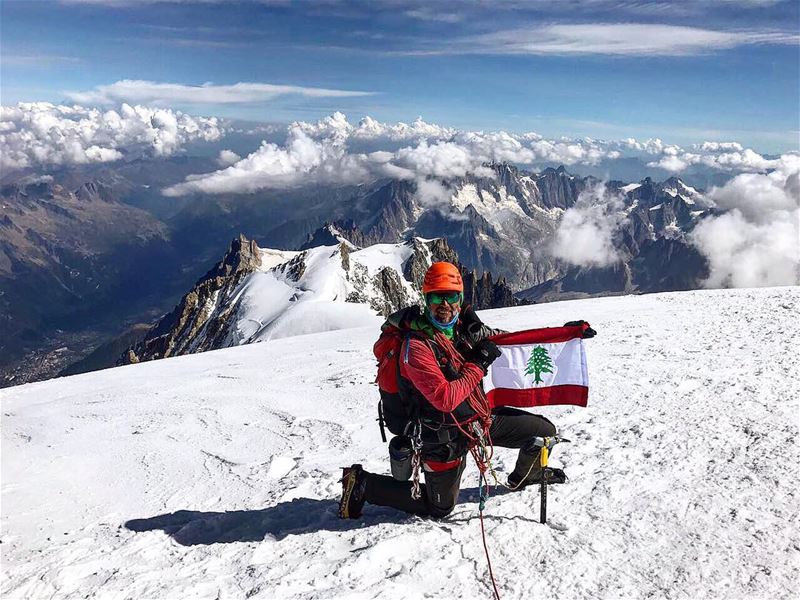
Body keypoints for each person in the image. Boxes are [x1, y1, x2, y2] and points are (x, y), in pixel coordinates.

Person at [339, 261, 568, 520]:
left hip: (476, 419)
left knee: (543, 434)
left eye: (451, 297)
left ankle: (528, 474)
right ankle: (362, 484)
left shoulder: (462, 329)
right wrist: (478, 364)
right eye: (437, 297)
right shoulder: (416, 346)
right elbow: (444, 398)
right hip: (441, 435)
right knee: (440, 508)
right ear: (426, 299)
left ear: (460, 299)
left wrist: (563, 335)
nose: (444, 304)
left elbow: (507, 341)